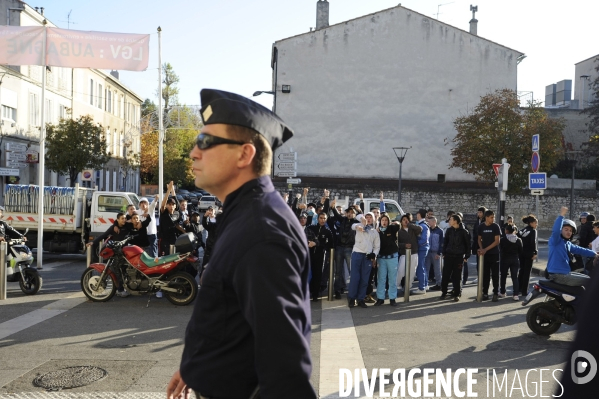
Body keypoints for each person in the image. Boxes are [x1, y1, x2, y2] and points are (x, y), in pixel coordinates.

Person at [167, 89, 316, 399]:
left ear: (244, 155)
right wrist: (197, 365)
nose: (194, 152)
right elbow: (232, 318)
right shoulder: (244, 213)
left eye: (205, 142)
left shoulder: (262, 231)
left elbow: (286, 373)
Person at [546, 207, 597, 287]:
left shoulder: (567, 243)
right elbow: (555, 230)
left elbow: (580, 250)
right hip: (558, 274)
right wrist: (561, 216)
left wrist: (595, 254)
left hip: (565, 272)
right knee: (590, 282)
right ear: (561, 230)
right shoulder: (555, 241)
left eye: (570, 231)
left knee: (587, 277)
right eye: (566, 229)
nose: (569, 232)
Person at [86, 212, 131, 297]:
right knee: (117, 271)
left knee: (125, 271)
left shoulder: (127, 227)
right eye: (122, 218)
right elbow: (103, 235)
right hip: (116, 252)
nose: (124, 220)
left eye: (125, 218)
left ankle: (125, 288)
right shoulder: (113, 228)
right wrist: (93, 242)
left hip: (125, 252)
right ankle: (120, 290)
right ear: (117, 219)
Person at [347, 212, 380, 308]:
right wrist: (361, 221)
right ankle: (352, 298)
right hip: (357, 253)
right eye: (367, 217)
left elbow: (377, 246)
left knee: (365, 279)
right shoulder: (359, 225)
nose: (368, 219)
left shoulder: (374, 232)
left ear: (373, 219)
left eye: (371, 217)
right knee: (354, 278)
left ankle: (361, 299)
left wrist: (374, 255)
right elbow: (353, 225)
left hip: (367, 256)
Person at [330, 203, 358, 299]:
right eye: (348, 212)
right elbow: (337, 215)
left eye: (352, 212)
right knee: (338, 271)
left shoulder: (356, 222)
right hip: (339, 247)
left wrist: (359, 210)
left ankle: (352, 291)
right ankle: (337, 291)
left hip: (350, 248)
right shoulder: (342, 220)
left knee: (352, 271)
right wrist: (333, 207)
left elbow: (362, 217)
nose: (350, 214)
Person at [441, 214, 470, 301]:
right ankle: (444, 292)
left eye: (451, 220)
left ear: (456, 221)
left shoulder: (464, 232)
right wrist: (444, 252)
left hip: (459, 256)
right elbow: (445, 242)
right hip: (448, 255)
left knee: (457, 276)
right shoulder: (449, 231)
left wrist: (467, 256)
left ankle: (457, 293)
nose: (449, 221)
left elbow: (468, 245)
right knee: (446, 274)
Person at [308, 212, 334, 301]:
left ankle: (315, 294)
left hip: (320, 255)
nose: (322, 220)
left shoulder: (327, 231)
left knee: (318, 274)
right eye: (321, 218)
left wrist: (318, 244)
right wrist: (309, 243)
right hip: (309, 254)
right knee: (308, 274)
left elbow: (330, 245)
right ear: (318, 219)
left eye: (324, 218)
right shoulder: (311, 228)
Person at [375, 214, 400, 306]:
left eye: (386, 220)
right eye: (382, 220)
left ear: (388, 221)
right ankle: (380, 298)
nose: (384, 222)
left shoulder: (392, 229)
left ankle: (392, 298)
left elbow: (398, 225)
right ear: (380, 222)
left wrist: (396, 222)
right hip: (381, 258)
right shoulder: (377, 232)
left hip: (392, 257)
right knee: (381, 279)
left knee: (392, 279)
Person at [477, 210, 501, 301]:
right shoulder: (481, 227)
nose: (493, 219)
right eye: (491, 217)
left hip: (494, 253)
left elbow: (497, 241)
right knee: (485, 275)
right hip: (485, 255)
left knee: (495, 274)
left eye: (493, 217)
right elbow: (479, 239)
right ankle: (485, 293)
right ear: (486, 217)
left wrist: (485, 249)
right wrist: (481, 248)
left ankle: (495, 293)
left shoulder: (496, 226)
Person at [396, 213, 422, 293]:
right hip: (404, 253)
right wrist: (404, 245)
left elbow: (420, 229)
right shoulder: (399, 231)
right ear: (401, 221)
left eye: (406, 219)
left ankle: (408, 287)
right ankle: (396, 285)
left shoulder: (412, 228)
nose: (405, 221)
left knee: (412, 272)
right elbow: (397, 243)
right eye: (403, 219)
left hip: (414, 252)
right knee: (400, 270)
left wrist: (410, 225)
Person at [499, 224, 522, 300]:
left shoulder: (503, 239)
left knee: (503, 276)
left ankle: (502, 292)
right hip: (515, 259)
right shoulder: (518, 240)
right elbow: (521, 251)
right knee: (514, 277)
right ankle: (515, 294)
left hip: (505, 259)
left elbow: (500, 249)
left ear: (506, 231)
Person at [518, 214, 538, 296]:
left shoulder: (522, 230)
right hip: (529, 253)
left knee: (521, 270)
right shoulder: (533, 231)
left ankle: (518, 288)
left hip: (521, 253)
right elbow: (533, 242)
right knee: (527, 272)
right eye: (535, 223)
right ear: (531, 223)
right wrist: (535, 252)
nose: (536, 225)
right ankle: (524, 291)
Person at [414, 209, 430, 294]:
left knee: (420, 267)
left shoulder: (423, 226)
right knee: (422, 266)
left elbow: (424, 240)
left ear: (419, 214)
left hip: (422, 248)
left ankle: (421, 287)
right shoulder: (423, 225)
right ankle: (425, 284)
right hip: (423, 248)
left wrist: (416, 245)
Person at [425, 217, 444, 291]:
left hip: (436, 253)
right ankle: (425, 284)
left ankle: (439, 284)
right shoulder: (428, 230)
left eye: (429, 222)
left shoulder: (440, 231)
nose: (428, 223)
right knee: (426, 269)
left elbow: (441, 243)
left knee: (437, 269)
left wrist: (439, 253)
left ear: (434, 222)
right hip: (428, 252)